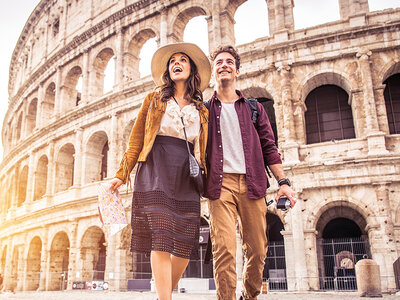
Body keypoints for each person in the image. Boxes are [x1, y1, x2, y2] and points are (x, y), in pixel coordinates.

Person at [109, 42, 210, 300]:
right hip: (155, 168)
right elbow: (135, 140)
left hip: (186, 173)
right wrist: (122, 174)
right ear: (167, 70)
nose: (176, 63)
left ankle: (162, 294)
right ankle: (165, 298)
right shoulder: (154, 99)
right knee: (161, 238)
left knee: (186, 244)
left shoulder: (202, 109)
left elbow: (206, 148)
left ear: (192, 69)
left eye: (183, 60)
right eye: (172, 61)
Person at [204, 45, 297, 300]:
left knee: (257, 249)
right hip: (219, 185)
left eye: (229, 62)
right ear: (213, 71)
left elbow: (269, 147)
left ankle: (250, 296)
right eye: (219, 62)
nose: (224, 65)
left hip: (253, 183)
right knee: (224, 249)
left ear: (237, 70)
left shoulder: (254, 108)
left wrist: (283, 182)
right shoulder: (204, 109)